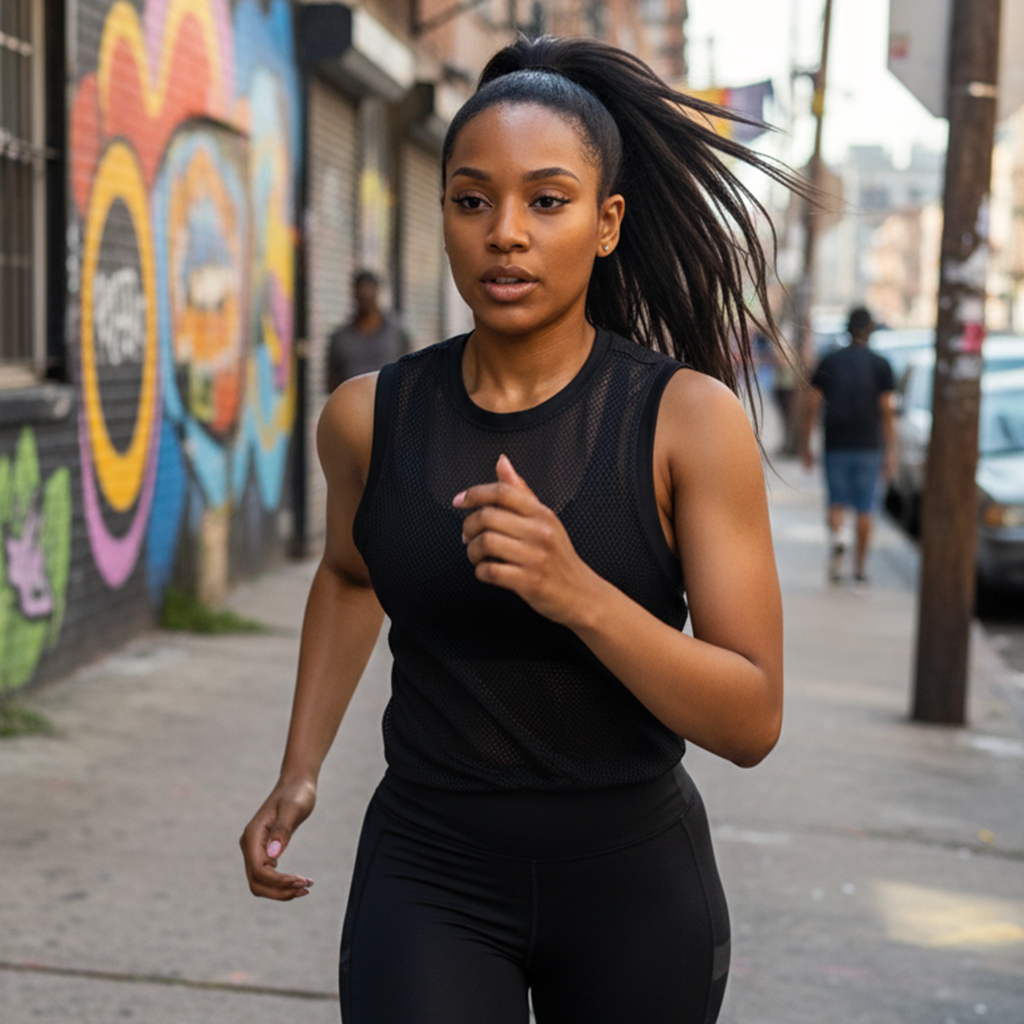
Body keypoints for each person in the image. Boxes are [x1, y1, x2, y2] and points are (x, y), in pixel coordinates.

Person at [241, 35, 794, 1024]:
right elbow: (350, 575)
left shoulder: (686, 422)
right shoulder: (369, 417)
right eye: (471, 199)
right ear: (444, 215)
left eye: (546, 200)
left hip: (632, 883)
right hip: (429, 870)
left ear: (606, 222)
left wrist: (576, 592)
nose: (505, 232)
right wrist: (300, 765)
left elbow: (750, 718)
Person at [800, 306, 896, 585]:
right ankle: (860, 569)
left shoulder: (830, 361)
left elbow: (811, 404)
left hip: (835, 443)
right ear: (870, 331)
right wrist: (891, 449)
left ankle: (838, 540)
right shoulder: (881, 364)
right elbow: (887, 410)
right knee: (866, 508)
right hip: (868, 445)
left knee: (836, 501)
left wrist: (806, 443)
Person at [326, 270, 408, 392]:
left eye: (369, 290)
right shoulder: (340, 338)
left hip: (389, 407)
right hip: (351, 407)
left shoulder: (397, 335)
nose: (365, 296)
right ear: (354, 294)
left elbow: (408, 375)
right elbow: (331, 383)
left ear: (377, 293)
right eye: (361, 291)